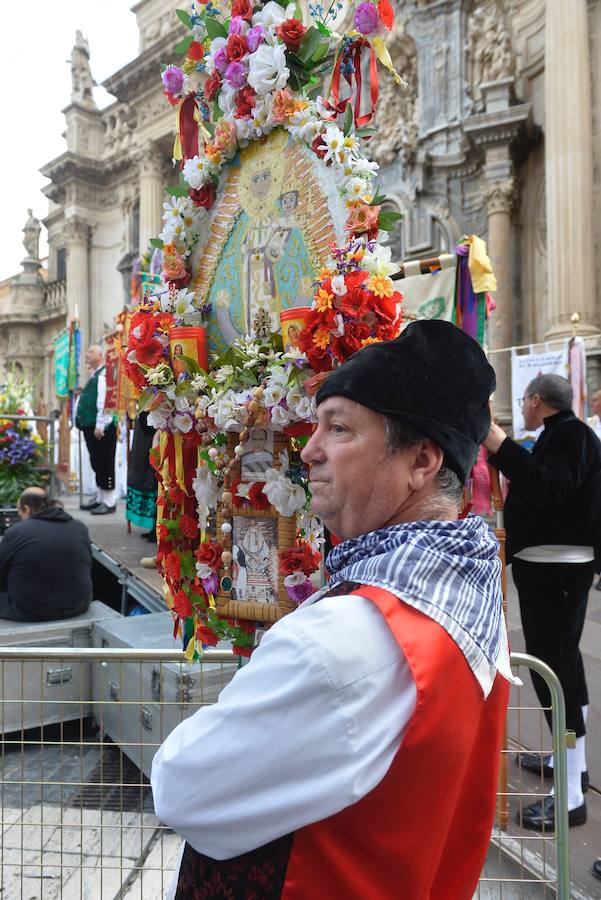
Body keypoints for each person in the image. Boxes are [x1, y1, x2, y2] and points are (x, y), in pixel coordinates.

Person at [152, 321, 514, 900]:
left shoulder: (341, 640)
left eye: (338, 428)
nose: (310, 449)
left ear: (421, 460)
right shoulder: (468, 595)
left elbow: (182, 787)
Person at [485, 373, 601, 831]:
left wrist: (500, 445)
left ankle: (571, 796)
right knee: (564, 671)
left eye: (525, 401)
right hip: (548, 569)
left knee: (557, 678)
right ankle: (568, 764)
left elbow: (550, 488)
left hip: (558, 570)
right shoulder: (561, 435)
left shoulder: (572, 434)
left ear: (536, 401)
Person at [0, 488, 92, 621]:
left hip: (30, 610)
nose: (20, 517)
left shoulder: (16, 532)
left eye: (19, 512)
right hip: (79, 605)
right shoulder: (79, 527)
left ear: (26, 508)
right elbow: (87, 567)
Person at [76, 344, 117, 515]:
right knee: (97, 462)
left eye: (90, 351)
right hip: (92, 425)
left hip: (100, 427)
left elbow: (106, 400)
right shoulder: (96, 373)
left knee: (104, 462)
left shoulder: (104, 374)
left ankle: (109, 501)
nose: (86, 354)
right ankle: (101, 498)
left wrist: (101, 424)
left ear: (100, 355)